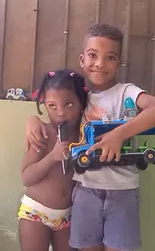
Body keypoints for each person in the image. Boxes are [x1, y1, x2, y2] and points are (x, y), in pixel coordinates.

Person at [25, 23, 155, 251]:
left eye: (110, 57)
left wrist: (118, 135)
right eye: (93, 56)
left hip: (122, 192)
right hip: (85, 190)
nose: (100, 64)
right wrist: (32, 120)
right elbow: (56, 114)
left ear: (119, 63)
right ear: (82, 59)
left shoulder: (127, 92)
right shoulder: (79, 100)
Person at [18, 69, 87, 251]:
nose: (61, 113)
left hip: (67, 216)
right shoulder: (42, 134)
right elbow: (26, 177)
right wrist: (52, 157)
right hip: (36, 213)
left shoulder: (84, 136)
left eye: (69, 104)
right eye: (52, 106)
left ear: (82, 103)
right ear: (45, 106)